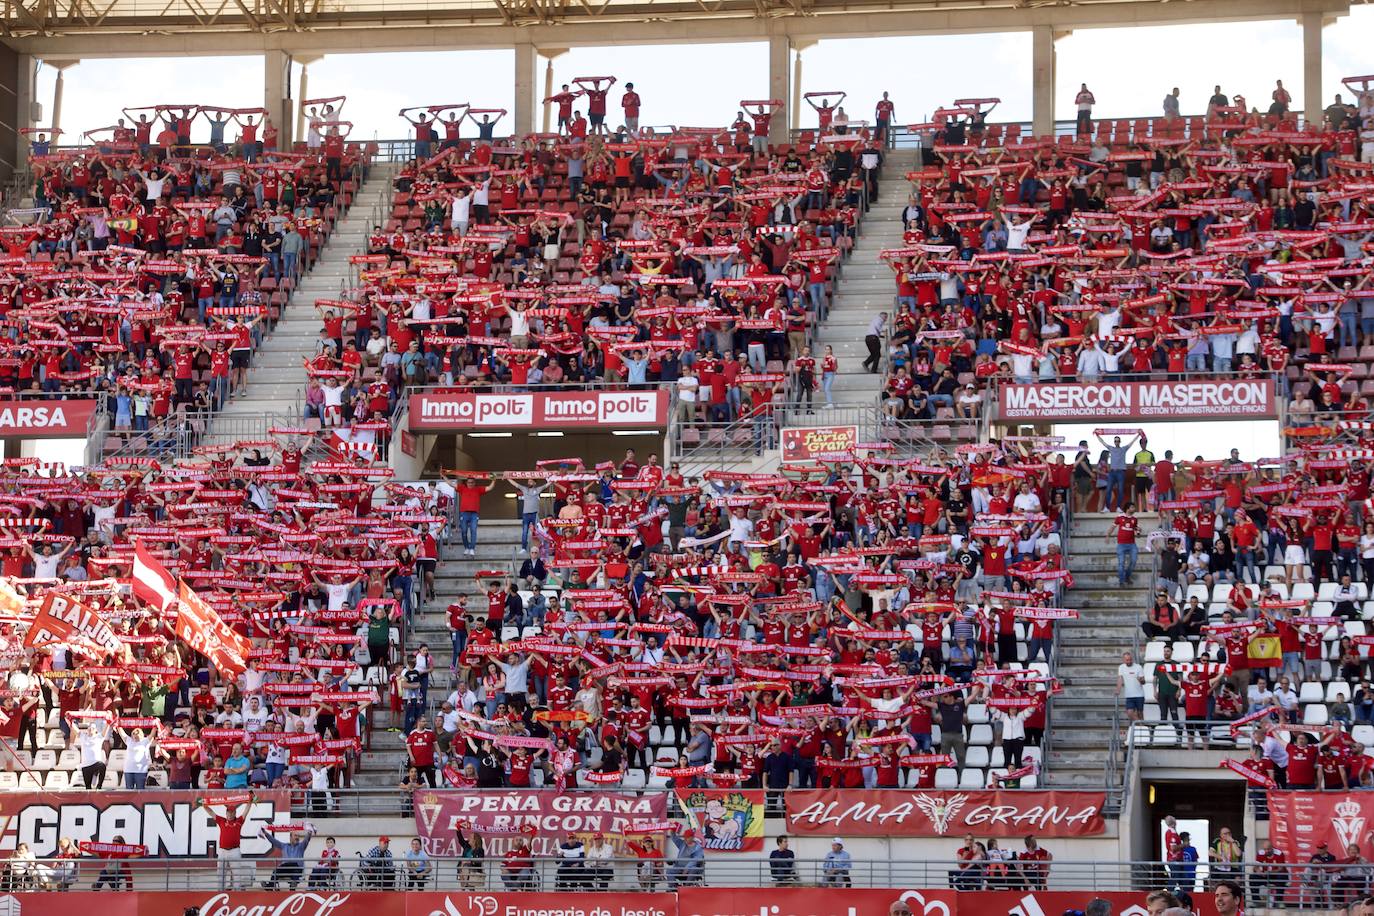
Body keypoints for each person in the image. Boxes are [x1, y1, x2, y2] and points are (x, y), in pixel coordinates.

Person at [198, 793, 256, 891]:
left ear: (235, 813)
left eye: (232, 812)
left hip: (235, 851)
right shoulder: (221, 820)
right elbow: (211, 812)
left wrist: (250, 800)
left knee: (237, 875)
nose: (230, 814)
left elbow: (246, 810)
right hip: (222, 851)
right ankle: (220, 892)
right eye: (228, 812)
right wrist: (204, 804)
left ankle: (237, 893)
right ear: (226, 813)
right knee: (220, 874)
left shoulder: (239, 821)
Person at [261, 824, 316, 891]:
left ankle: (292, 886)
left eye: (298, 836)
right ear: (290, 837)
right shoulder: (284, 846)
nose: (297, 837)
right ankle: (270, 887)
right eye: (295, 835)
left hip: (296, 868)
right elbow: (273, 841)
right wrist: (265, 833)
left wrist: (310, 831)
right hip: (286, 867)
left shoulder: (301, 846)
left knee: (296, 869)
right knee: (276, 871)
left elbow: (307, 839)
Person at [1117, 650, 1146, 724]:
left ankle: (1142, 731)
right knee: (1130, 713)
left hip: (1139, 695)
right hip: (1129, 695)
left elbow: (1143, 682)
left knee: (1140, 713)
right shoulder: (1121, 667)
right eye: (1127, 660)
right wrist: (1118, 690)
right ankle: (1142, 726)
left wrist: (1141, 680)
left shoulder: (1138, 667)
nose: (1129, 661)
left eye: (1130, 659)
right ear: (1123, 660)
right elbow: (1120, 679)